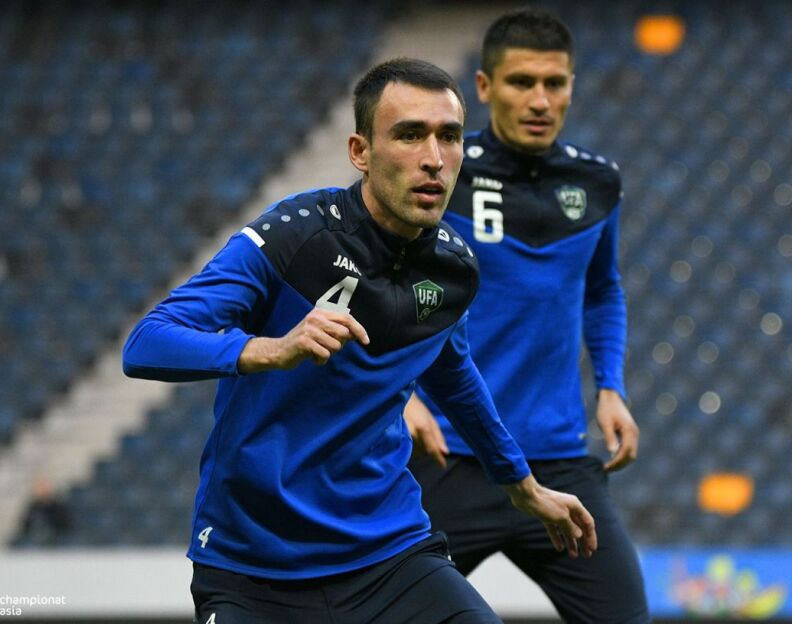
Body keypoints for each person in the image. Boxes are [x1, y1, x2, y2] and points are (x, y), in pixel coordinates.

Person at [123, 57, 596, 624]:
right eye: (410, 135)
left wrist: (522, 486)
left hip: (388, 558)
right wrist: (271, 350)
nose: (433, 157)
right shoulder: (295, 236)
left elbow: (454, 377)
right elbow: (147, 342)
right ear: (360, 152)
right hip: (252, 569)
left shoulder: (453, 268)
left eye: (449, 136)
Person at [403, 10, 650, 623]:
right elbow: (381, 282)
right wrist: (402, 396)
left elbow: (602, 290)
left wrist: (611, 386)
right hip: (449, 458)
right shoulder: (440, 171)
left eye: (554, 83)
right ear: (485, 87)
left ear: (571, 87)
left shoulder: (598, 182)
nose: (540, 100)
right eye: (521, 82)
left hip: (558, 460)